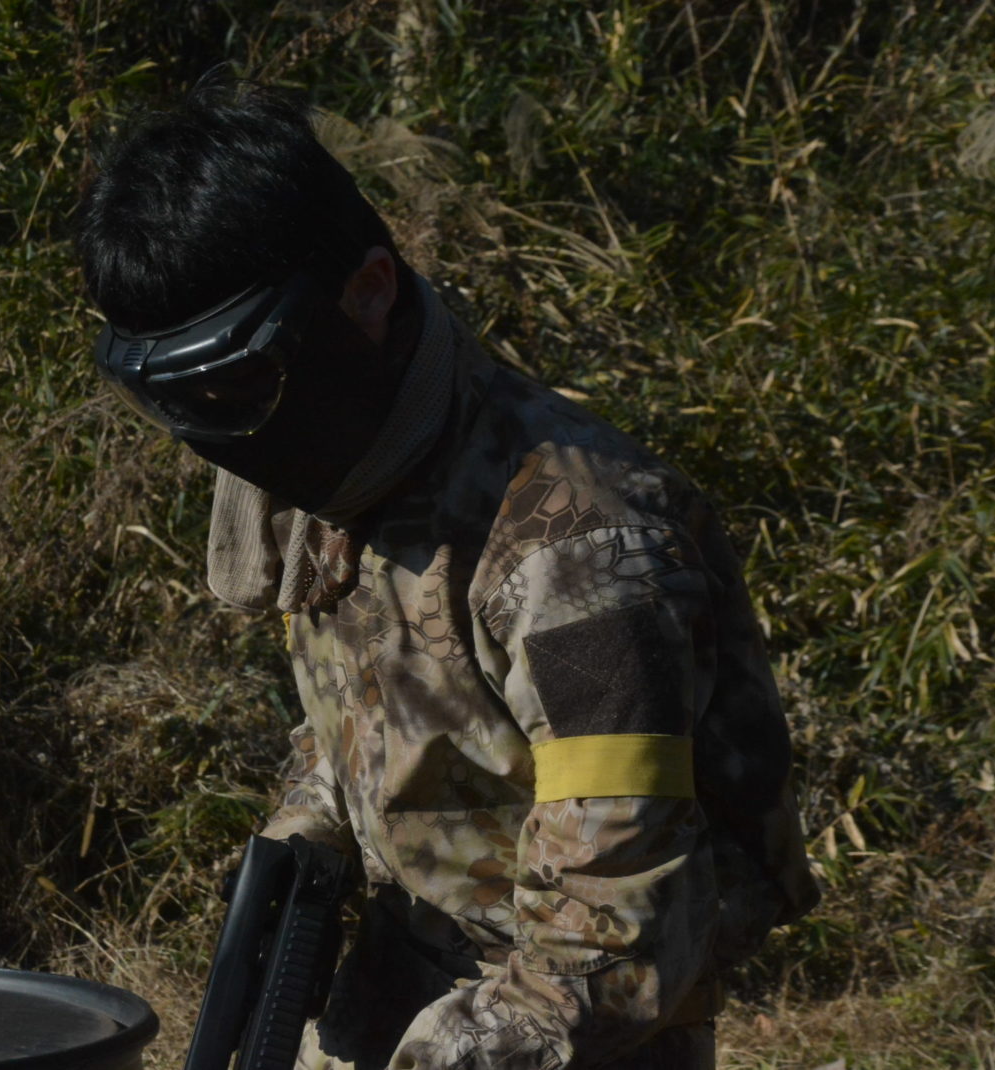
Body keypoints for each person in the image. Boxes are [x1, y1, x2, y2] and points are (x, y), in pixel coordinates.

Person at [74, 79, 819, 1070]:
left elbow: (613, 931)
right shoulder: (349, 463)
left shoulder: (574, 546)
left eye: (236, 384)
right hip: (409, 972)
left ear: (369, 292)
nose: (215, 431)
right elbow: (371, 714)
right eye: (175, 397)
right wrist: (305, 843)